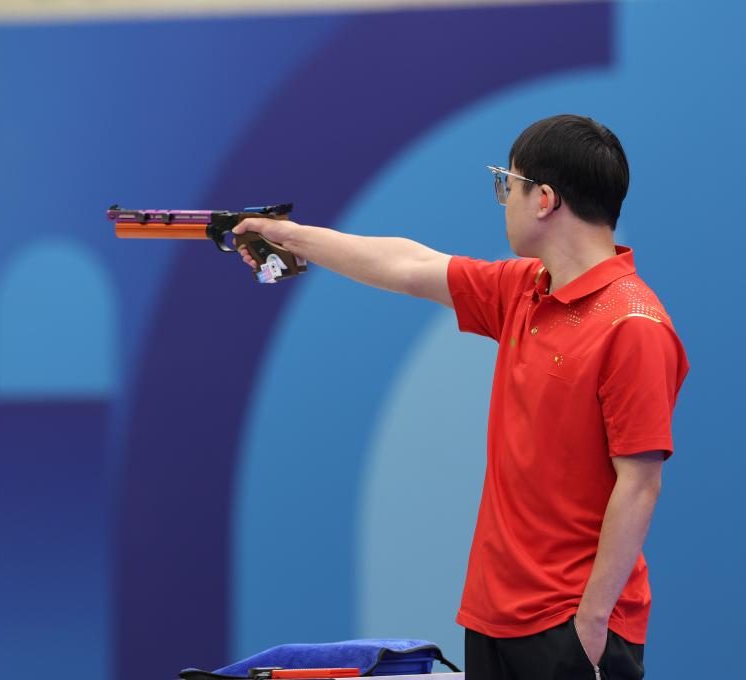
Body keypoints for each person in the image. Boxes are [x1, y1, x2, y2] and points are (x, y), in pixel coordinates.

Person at [234, 114, 689, 680]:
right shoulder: (524, 289)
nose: (504, 200)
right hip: (494, 614)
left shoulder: (634, 324)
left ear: (544, 199)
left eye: (508, 183)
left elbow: (641, 482)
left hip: (574, 623)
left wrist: (592, 621)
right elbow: (409, 264)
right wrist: (290, 237)